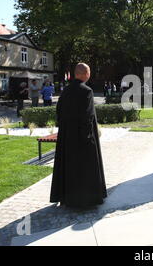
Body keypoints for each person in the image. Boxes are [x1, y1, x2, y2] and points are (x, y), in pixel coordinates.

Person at [50, 63, 107, 208]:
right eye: (89, 72)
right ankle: (87, 199)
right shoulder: (86, 91)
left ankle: (69, 198)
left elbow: (59, 112)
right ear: (84, 74)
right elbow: (87, 117)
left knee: (69, 168)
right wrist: (88, 139)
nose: (89, 75)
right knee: (85, 169)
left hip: (67, 138)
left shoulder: (65, 91)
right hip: (82, 138)